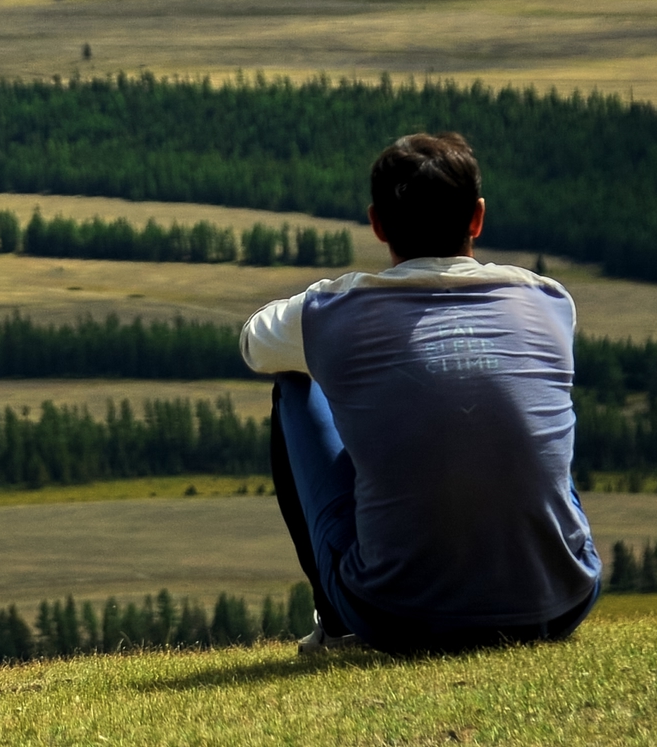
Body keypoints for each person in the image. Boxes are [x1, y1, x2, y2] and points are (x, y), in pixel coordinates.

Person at [241, 131, 599, 655]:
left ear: (378, 223)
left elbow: (255, 345)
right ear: (477, 218)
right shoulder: (547, 300)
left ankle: (337, 624)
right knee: (520, 413)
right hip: (562, 602)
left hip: (394, 616)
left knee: (294, 383)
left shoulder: (331, 313)